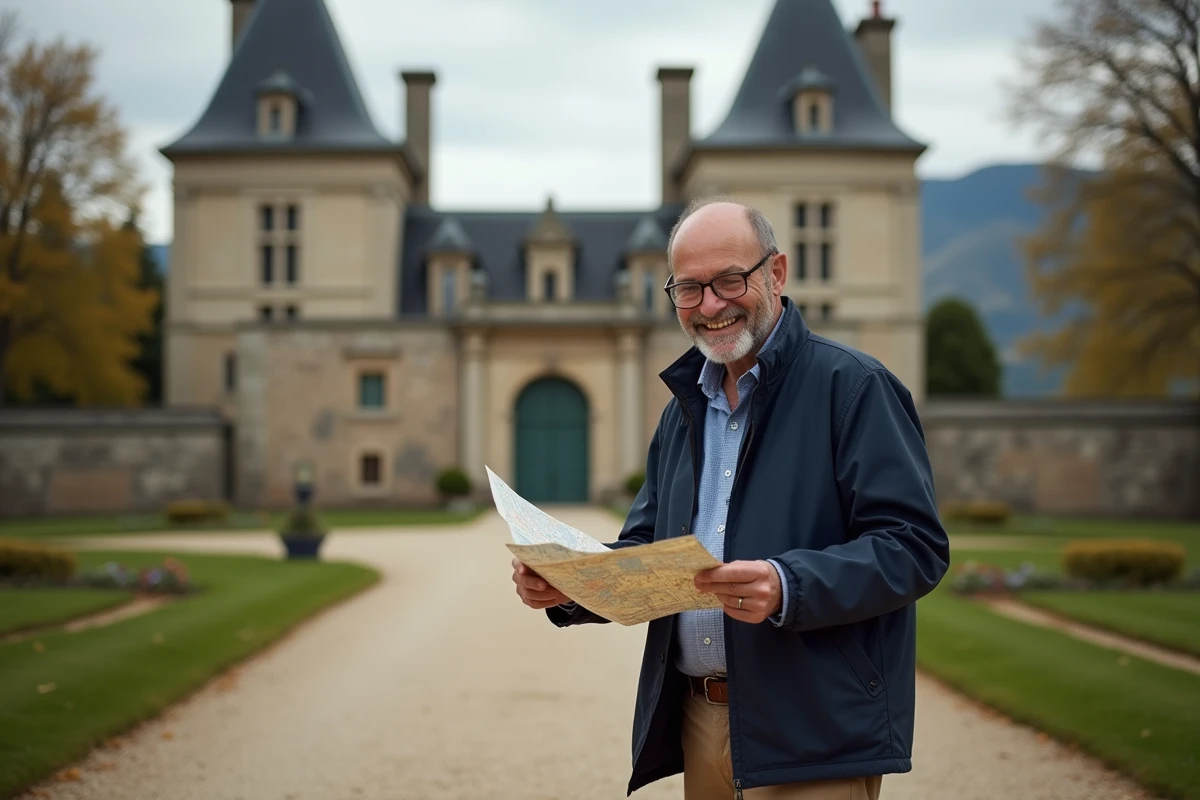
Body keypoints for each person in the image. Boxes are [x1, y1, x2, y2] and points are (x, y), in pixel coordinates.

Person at [512, 197, 950, 799]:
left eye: (728, 280)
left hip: (811, 729)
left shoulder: (853, 387)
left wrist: (788, 583)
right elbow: (649, 548)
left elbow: (914, 546)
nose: (710, 305)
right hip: (701, 719)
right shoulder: (681, 411)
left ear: (776, 273)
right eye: (688, 288)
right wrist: (572, 586)